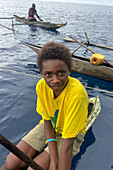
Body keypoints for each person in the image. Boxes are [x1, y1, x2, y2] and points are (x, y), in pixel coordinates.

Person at [5, 42, 89, 170]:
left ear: (69, 70)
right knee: (11, 164)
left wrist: (55, 165)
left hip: (70, 134)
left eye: (61, 73)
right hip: (50, 126)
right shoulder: (41, 86)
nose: (55, 80)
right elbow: (47, 120)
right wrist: (54, 159)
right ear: (41, 73)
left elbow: (67, 145)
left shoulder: (76, 94)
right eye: (48, 74)